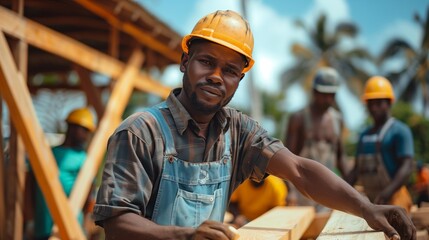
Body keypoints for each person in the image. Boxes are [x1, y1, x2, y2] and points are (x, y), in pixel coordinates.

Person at [93, 10, 416, 240]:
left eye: (230, 70)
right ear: (184, 62)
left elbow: (300, 170)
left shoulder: (238, 131)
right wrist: (186, 236)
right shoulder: (140, 132)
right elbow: (118, 224)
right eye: (206, 62)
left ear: (240, 79)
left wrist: (365, 208)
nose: (217, 76)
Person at [346, 76, 414, 213]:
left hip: (395, 199)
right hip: (371, 203)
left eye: (378, 103)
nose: (374, 107)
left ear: (389, 103)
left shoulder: (399, 131)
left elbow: (407, 166)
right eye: (370, 103)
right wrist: (341, 192)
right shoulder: (364, 135)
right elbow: (356, 170)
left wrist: (386, 193)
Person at [26, 107, 96, 240]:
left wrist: (86, 224)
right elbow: (30, 186)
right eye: (85, 131)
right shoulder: (46, 154)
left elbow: (89, 195)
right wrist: (30, 219)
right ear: (73, 128)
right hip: (42, 225)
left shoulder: (84, 160)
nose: (86, 136)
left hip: (71, 228)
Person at [284, 67, 345, 211]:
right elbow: (287, 158)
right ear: (314, 92)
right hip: (303, 192)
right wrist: (290, 191)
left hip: (329, 191)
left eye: (331, 95)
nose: (327, 99)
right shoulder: (299, 118)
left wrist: (350, 186)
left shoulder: (337, 120)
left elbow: (340, 157)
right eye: (323, 95)